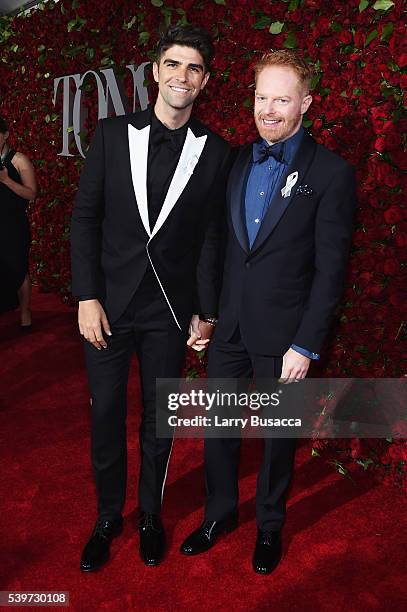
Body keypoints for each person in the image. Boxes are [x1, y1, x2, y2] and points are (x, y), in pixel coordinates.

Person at [181, 50, 356, 574]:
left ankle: (270, 525)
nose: (269, 109)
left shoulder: (331, 173)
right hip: (229, 327)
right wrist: (206, 313)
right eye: (262, 97)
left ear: (305, 102)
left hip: (284, 337)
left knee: (278, 440)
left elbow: (331, 271)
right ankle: (219, 514)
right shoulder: (235, 160)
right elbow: (217, 246)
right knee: (220, 429)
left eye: (282, 99)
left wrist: (305, 343)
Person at [70, 25, 231, 572]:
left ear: (204, 81)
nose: (181, 76)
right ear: (155, 71)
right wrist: (87, 295)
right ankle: (108, 516)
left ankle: (150, 515)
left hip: (168, 311)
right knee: (107, 413)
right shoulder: (113, 133)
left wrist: (206, 311)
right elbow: (85, 218)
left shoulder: (216, 152)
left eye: (193, 68)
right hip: (109, 309)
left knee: (158, 421)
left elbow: (211, 239)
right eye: (173, 64)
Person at [0, 116, 37, 325]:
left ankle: (25, 312)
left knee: (19, 267)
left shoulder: (19, 160)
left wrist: (6, 180)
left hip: (13, 225)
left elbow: (31, 194)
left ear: (5, 135)